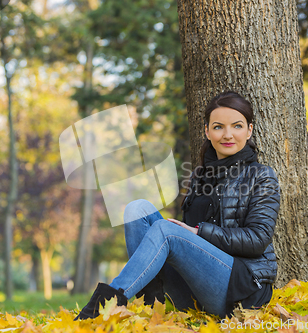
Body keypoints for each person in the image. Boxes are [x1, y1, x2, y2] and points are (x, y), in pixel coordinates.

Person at [74, 91, 281, 320]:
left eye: (237, 126)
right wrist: (192, 232)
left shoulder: (262, 176)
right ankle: (153, 300)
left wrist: (199, 232)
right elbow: (187, 245)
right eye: (219, 126)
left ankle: (101, 308)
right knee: (137, 209)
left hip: (241, 290)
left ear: (249, 130)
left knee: (166, 230)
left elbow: (258, 239)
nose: (228, 134)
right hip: (194, 289)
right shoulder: (199, 176)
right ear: (207, 131)